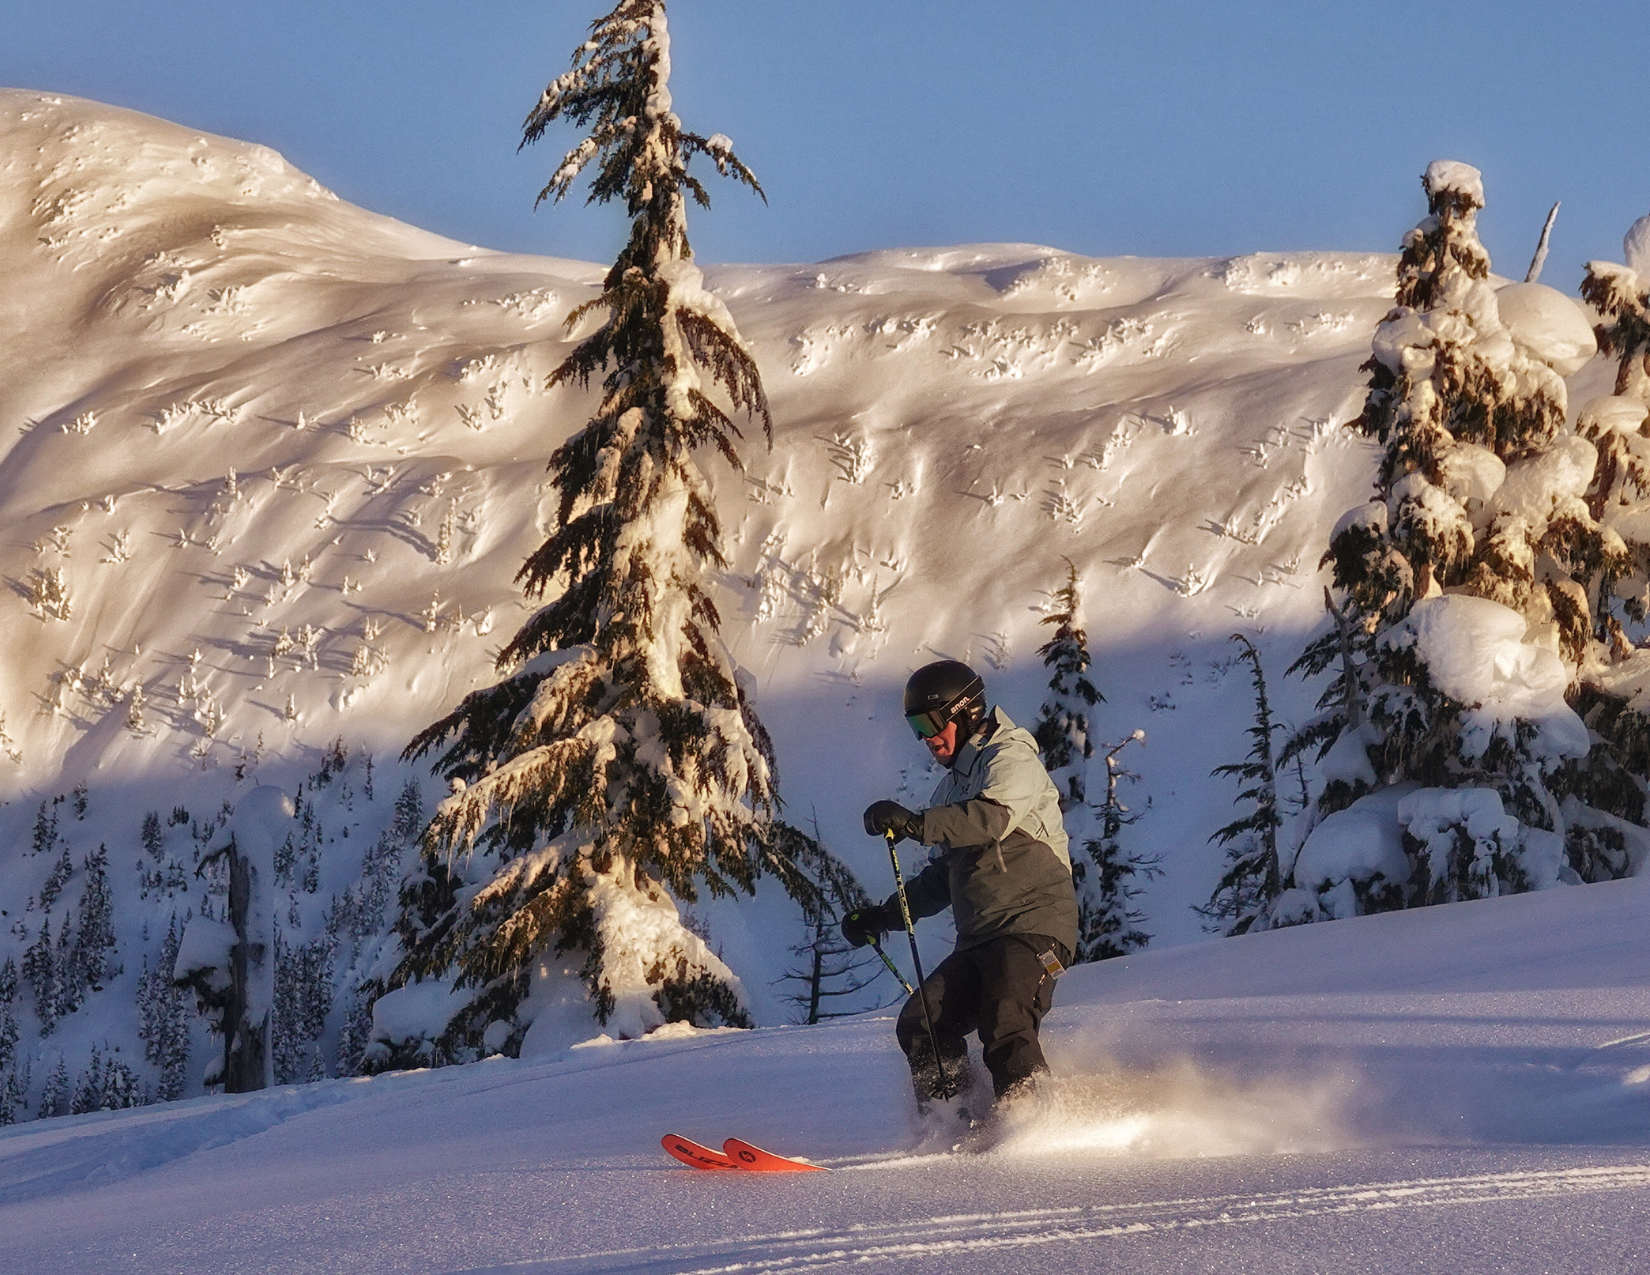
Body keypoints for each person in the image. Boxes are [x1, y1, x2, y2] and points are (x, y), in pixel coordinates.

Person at [844, 659, 1078, 1112]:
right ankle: (954, 1122)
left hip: (1033, 928)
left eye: (932, 722)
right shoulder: (950, 791)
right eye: (916, 725)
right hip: (979, 939)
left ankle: (1033, 1125)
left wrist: (914, 824)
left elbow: (990, 819)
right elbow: (938, 881)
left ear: (966, 711)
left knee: (1005, 1015)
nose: (926, 738)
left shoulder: (1010, 757)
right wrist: (884, 917)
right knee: (921, 1022)